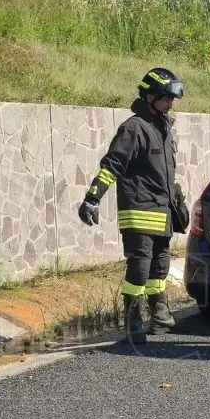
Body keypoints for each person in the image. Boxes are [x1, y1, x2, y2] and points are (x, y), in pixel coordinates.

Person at [78, 67, 187, 345]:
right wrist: (93, 197)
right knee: (140, 267)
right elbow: (112, 165)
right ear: (151, 97)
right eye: (167, 98)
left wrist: (178, 201)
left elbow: (166, 174)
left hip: (162, 213)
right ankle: (133, 321)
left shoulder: (162, 127)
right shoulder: (134, 128)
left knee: (160, 267)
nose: (171, 103)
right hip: (139, 212)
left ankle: (159, 315)